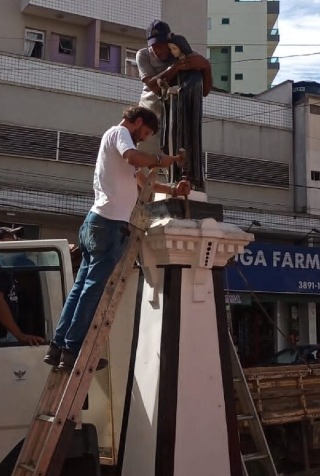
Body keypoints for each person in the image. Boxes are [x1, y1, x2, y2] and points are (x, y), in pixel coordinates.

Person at [43, 106, 191, 371]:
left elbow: (142, 181)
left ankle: (58, 349)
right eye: (143, 132)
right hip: (108, 224)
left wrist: (171, 189)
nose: (142, 138)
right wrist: (160, 159)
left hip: (97, 222)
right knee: (91, 291)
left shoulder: (117, 142)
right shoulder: (120, 133)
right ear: (135, 121)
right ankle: (72, 350)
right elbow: (134, 157)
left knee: (81, 289)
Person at [136, 21, 211, 187]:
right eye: (154, 46)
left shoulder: (183, 54)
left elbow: (204, 91)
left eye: (163, 45)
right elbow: (154, 86)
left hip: (173, 123)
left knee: (177, 167)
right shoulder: (143, 55)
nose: (159, 50)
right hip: (148, 121)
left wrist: (206, 67)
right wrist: (175, 68)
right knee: (138, 169)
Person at [0, 226, 44, 346]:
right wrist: (20, 335)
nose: (16, 241)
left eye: (16, 238)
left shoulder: (5, 266)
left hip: (4, 333)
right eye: (11, 237)